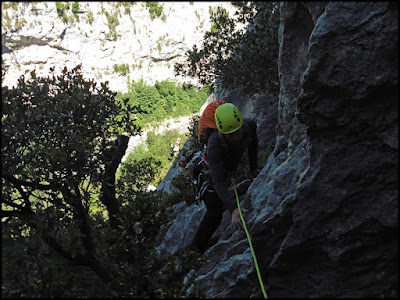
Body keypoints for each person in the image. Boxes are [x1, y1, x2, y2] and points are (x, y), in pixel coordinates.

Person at [190, 103, 260, 254]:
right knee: (214, 213)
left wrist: (254, 169)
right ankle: (194, 252)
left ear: (241, 124)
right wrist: (234, 208)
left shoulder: (250, 126)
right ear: (222, 132)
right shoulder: (215, 144)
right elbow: (218, 182)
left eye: (237, 131)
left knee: (221, 205)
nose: (235, 137)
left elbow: (253, 146)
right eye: (230, 134)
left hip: (224, 171)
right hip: (208, 175)